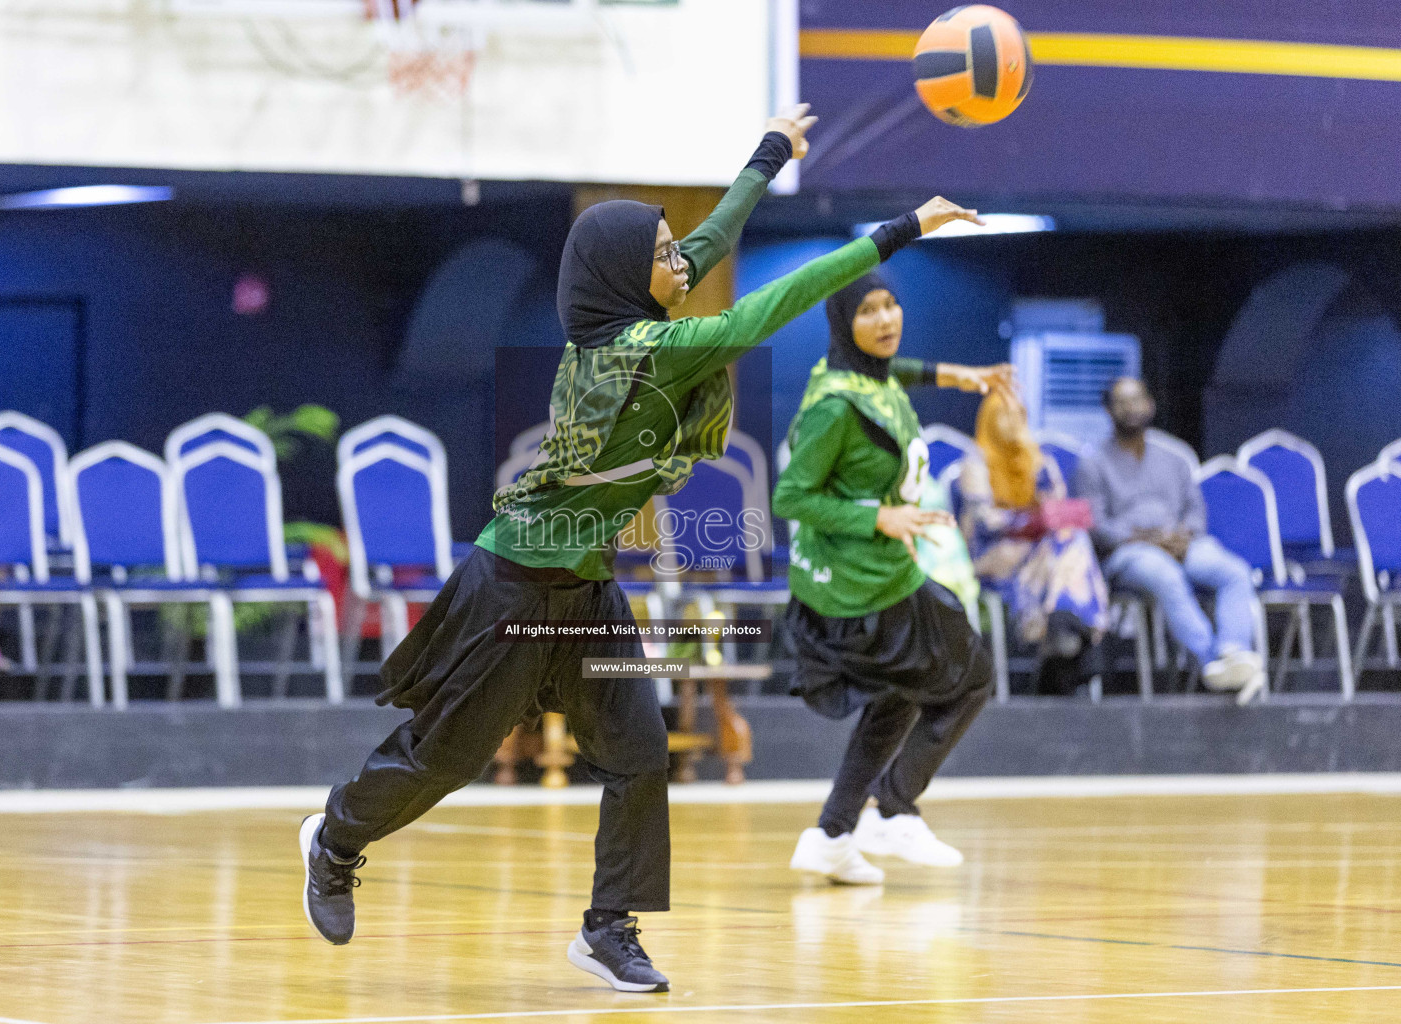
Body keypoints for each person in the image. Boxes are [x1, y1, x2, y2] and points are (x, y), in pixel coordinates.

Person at [299, 104, 982, 991]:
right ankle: (337, 836)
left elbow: (709, 241)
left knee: (638, 753)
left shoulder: (638, 313)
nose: (682, 260)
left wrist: (768, 154)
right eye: (663, 253)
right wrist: (901, 231)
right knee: (448, 758)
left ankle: (608, 928)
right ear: (626, 276)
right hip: (512, 585)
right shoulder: (644, 352)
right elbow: (774, 303)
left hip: (585, 592)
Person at [774, 269, 1010, 886]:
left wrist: (955, 376)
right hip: (860, 589)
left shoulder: (859, 377)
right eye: (868, 311)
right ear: (843, 325)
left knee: (898, 695)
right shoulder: (835, 407)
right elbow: (791, 496)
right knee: (973, 673)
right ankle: (895, 807)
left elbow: (893, 371)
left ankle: (831, 836)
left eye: (891, 305)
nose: (885, 320)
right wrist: (877, 514)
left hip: (874, 578)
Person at [1074, 377, 1263, 698]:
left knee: (1234, 571)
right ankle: (1212, 661)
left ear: (1150, 405)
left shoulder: (1175, 457)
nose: (1130, 408)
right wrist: (1145, 539)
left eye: (1136, 400)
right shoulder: (1092, 463)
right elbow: (1095, 525)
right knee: (1166, 575)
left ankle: (1234, 651)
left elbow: (1195, 512)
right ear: (1108, 410)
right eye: (1121, 402)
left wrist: (1184, 535)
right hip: (1129, 552)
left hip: (1180, 544)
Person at [959, 388, 1109, 694]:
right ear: (989, 420)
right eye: (1003, 417)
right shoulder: (974, 465)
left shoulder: (1039, 461)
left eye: (1018, 416)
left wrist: (1042, 517)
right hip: (994, 556)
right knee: (1063, 546)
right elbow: (986, 521)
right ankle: (1070, 626)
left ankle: (1059, 624)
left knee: (1071, 539)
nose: (1012, 424)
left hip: (1038, 551)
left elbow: (1058, 511)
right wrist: (1031, 520)